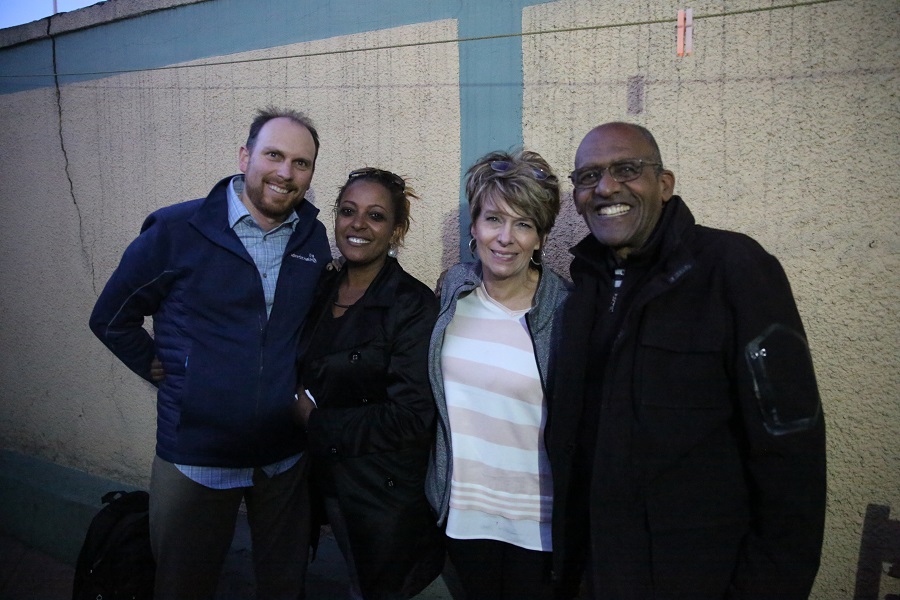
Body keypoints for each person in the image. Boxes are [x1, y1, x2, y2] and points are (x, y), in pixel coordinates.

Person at [549, 122, 827, 599]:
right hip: (597, 571)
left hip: (697, 577)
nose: (606, 187)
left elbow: (790, 458)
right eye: (588, 176)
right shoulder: (583, 288)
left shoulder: (734, 268)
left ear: (665, 184)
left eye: (626, 170)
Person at [89, 107, 330, 599]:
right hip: (197, 456)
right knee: (182, 586)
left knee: (285, 585)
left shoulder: (312, 236)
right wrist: (161, 367)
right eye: (274, 155)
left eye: (301, 163)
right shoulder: (177, 232)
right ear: (245, 156)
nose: (286, 172)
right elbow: (112, 317)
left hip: (283, 457)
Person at [293, 167, 445, 600]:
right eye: (348, 211)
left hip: (378, 490)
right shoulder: (321, 287)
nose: (358, 224)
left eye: (376, 216)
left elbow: (411, 417)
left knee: (374, 588)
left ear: (396, 230)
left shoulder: (411, 305)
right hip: (319, 478)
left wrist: (315, 422)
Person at [425, 150, 568, 600]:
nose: (505, 238)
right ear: (474, 227)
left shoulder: (566, 309)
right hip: (464, 516)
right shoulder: (453, 289)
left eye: (523, 224)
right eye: (493, 219)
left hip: (539, 525)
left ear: (541, 236)